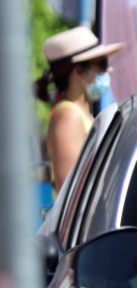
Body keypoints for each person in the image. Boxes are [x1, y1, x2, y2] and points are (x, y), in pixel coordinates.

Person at [37, 26, 124, 192]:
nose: (109, 70)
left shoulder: (79, 114)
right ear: (78, 71)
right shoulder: (68, 116)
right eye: (102, 64)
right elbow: (69, 191)